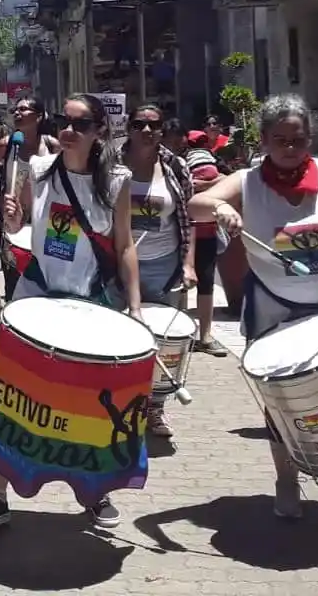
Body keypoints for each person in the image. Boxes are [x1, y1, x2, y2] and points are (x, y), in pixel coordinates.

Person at [0, 93, 142, 531]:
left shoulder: (118, 182)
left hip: (89, 306)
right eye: (63, 121)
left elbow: (124, 247)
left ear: (99, 131)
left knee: (91, 404)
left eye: (79, 124)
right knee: (11, 396)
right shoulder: (40, 170)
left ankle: (94, 493)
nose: (68, 130)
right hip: (36, 297)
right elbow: (19, 225)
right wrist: (10, 218)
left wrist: (136, 309)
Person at [188, 93, 318, 519]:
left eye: (299, 139)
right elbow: (197, 204)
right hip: (272, 302)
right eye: (281, 139)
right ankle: (286, 479)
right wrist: (220, 209)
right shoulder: (248, 181)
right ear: (265, 139)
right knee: (280, 399)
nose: (290, 148)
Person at [115, 104, 196, 438]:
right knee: (121, 338)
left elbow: (190, 218)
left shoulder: (175, 166)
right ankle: (119, 408)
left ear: (163, 129)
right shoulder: (110, 164)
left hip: (164, 266)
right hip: (116, 265)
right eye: (139, 125)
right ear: (129, 128)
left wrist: (189, 263)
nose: (146, 131)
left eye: (154, 125)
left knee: (162, 345)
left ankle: (155, 411)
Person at [0, 96, 60, 293]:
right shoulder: (8, 144)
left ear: (39, 116)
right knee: (14, 283)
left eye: (24, 110)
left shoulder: (52, 146)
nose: (18, 113)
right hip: (13, 224)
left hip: (47, 224)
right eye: (15, 111)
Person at [180, 128, 228, 356]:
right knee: (188, 284)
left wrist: (205, 184)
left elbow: (227, 180)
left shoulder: (215, 169)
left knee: (204, 283)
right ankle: (186, 335)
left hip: (205, 232)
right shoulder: (179, 167)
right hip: (187, 233)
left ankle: (204, 337)